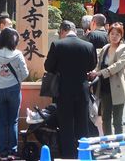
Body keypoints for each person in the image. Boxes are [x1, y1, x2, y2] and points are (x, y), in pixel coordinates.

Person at [44, 20, 97, 159]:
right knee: (82, 123)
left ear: (62, 31)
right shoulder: (88, 45)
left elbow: (48, 67)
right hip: (82, 88)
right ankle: (85, 153)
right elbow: (92, 65)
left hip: (63, 89)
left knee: (66, 124)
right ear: (75, 30)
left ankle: (68, 155)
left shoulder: (57, 45)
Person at [0, 27, 29, 161]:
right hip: (14, 90)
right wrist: (16, 80)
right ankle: (12, 152)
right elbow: (25, 73)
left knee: (2, 122)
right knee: (13, 121)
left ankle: (2, 153)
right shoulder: (18, 54)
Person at [89, 22, 125, 140]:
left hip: (118, 87)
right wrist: (93, 72)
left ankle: (118, 145)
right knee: (105, 117)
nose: (114, 36)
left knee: (117, 120)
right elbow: (99, 65)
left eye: (117, 34)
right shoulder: (105, 47)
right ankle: (108, 142)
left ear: (121, 36)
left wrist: (100, 73)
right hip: (104, 86)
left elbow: (118, 65)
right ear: (108, 34)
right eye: (112, 34)